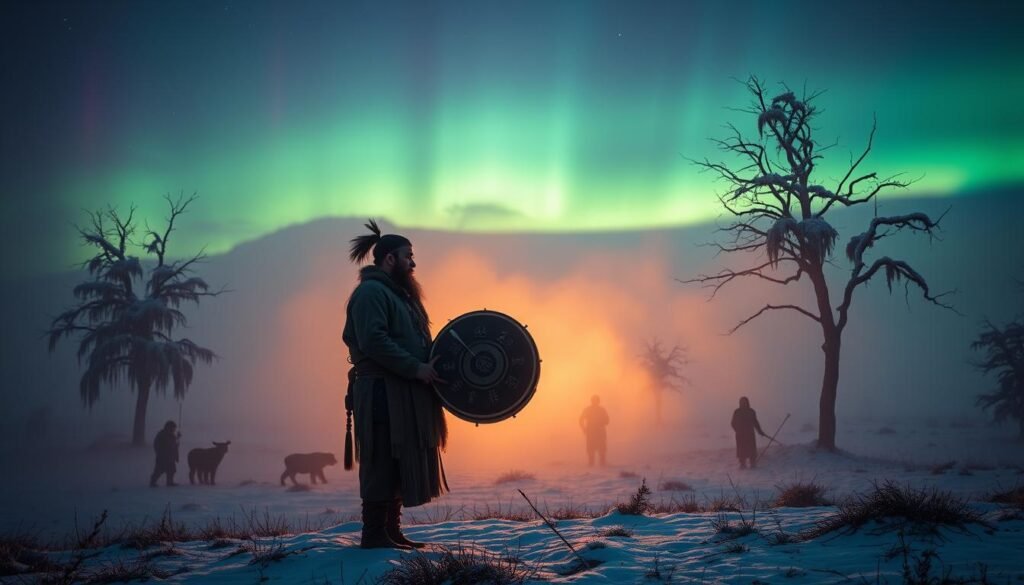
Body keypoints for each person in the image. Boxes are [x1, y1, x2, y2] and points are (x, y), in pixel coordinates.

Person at [343, 219, 448, 550]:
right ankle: (374, 534)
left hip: (402, 392)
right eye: (408, 256)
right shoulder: (371, 293)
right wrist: (414, 367)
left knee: (400, 457)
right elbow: (373, 340)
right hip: (380, 393)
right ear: (390, 258)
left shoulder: (400, 296)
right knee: (381, 459)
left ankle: (391, 531)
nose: (413, 263)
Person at [731, 397, 768, 469]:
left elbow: (755, 422)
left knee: (751, 449)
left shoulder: (751, 411)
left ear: (747, 402)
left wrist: (759, 431)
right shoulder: (737, 412)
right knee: (741, 450)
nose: (743, 403)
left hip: (749, 434)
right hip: (740, 435)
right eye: (742, 402)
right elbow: (733, 423)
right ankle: (742, 464)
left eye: (745, 402)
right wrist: (737, 430)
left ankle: (752, 463)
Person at [578, 395, 610, 466]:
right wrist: (584, 428)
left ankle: (601, 465)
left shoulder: (601, 410)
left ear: (598, 401)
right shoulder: (590, 410)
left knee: (601, 450)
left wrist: (584, 428)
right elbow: (581, 420)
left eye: (596, 401)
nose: (595, 402)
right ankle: (593, 467)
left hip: (598, 432)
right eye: (594, 401)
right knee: (591, 451)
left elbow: (607, 420)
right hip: (592, 432)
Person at [150, 420, 180, 487]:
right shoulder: (162, 435)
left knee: (172, 470)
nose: (174, 429)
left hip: (170, 457)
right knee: (159, 470)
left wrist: (176, 456)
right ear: (168, 427)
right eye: (173, 428)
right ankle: (152, 482)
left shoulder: (172, 436)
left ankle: (170, 482)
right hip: (162, 457)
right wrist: (160, 454)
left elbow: (175, 446)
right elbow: (160, 445)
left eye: (174, 428)